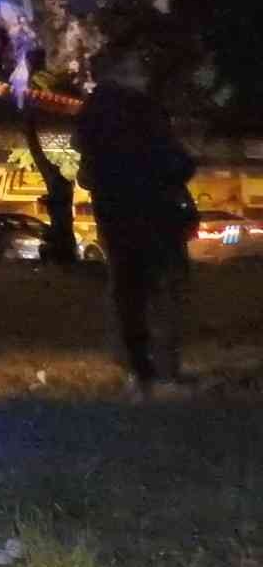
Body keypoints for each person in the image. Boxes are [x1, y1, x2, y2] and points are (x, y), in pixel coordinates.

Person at [74, 45, 196, 398]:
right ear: (124, 74)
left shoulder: (91, 114)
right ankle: (163, 373)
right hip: (154, 211)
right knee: (163, 289)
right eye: (138, 68)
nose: (145, 75)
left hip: (114, 212)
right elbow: (172, 161)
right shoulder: (143, 111)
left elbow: (86, 169)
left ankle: (134, 369)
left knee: (126, 288)